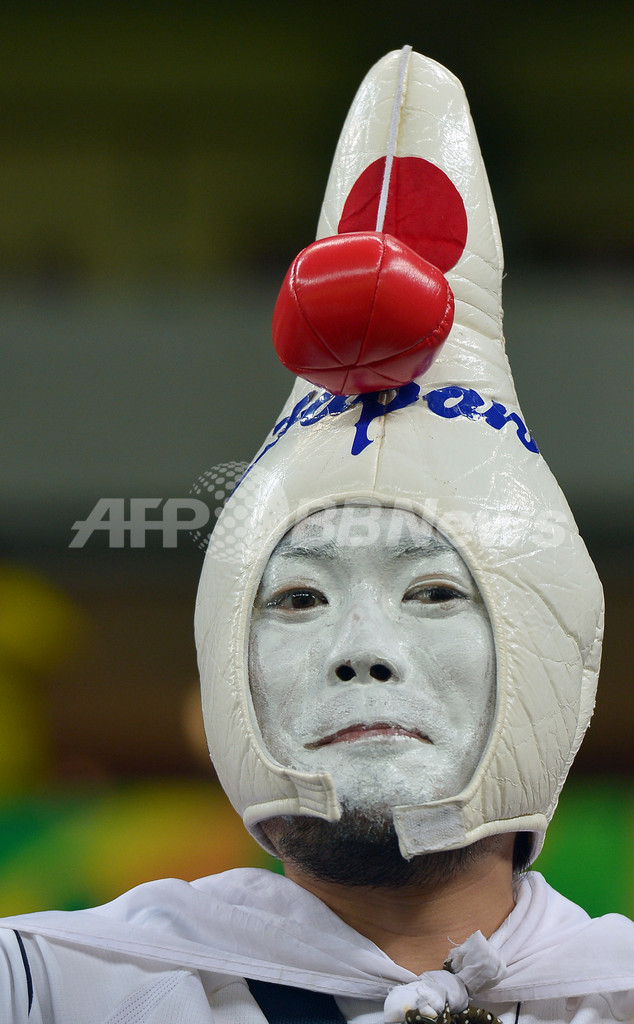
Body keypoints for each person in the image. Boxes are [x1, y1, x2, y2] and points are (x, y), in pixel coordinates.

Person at [0, 46, 633, 1024]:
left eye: (432, 593)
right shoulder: (61, 990)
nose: (360, 654)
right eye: (297, 598)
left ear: (551, 657)